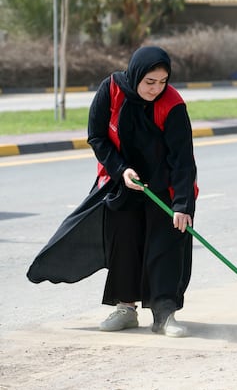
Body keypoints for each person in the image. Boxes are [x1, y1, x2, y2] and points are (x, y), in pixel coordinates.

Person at [27, 46, 198, 337]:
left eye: (162, 82)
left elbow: (182, 159)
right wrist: (121, 170)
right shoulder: (112, 90)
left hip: (164, 186)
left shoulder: (172, 105)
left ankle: (165, 315)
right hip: (125, 181)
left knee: (166, 246)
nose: (156, 89)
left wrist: (182, 205)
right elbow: (97, 136)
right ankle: (125, 309)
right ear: (135, 75)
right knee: (125, 243)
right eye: (150, 82)